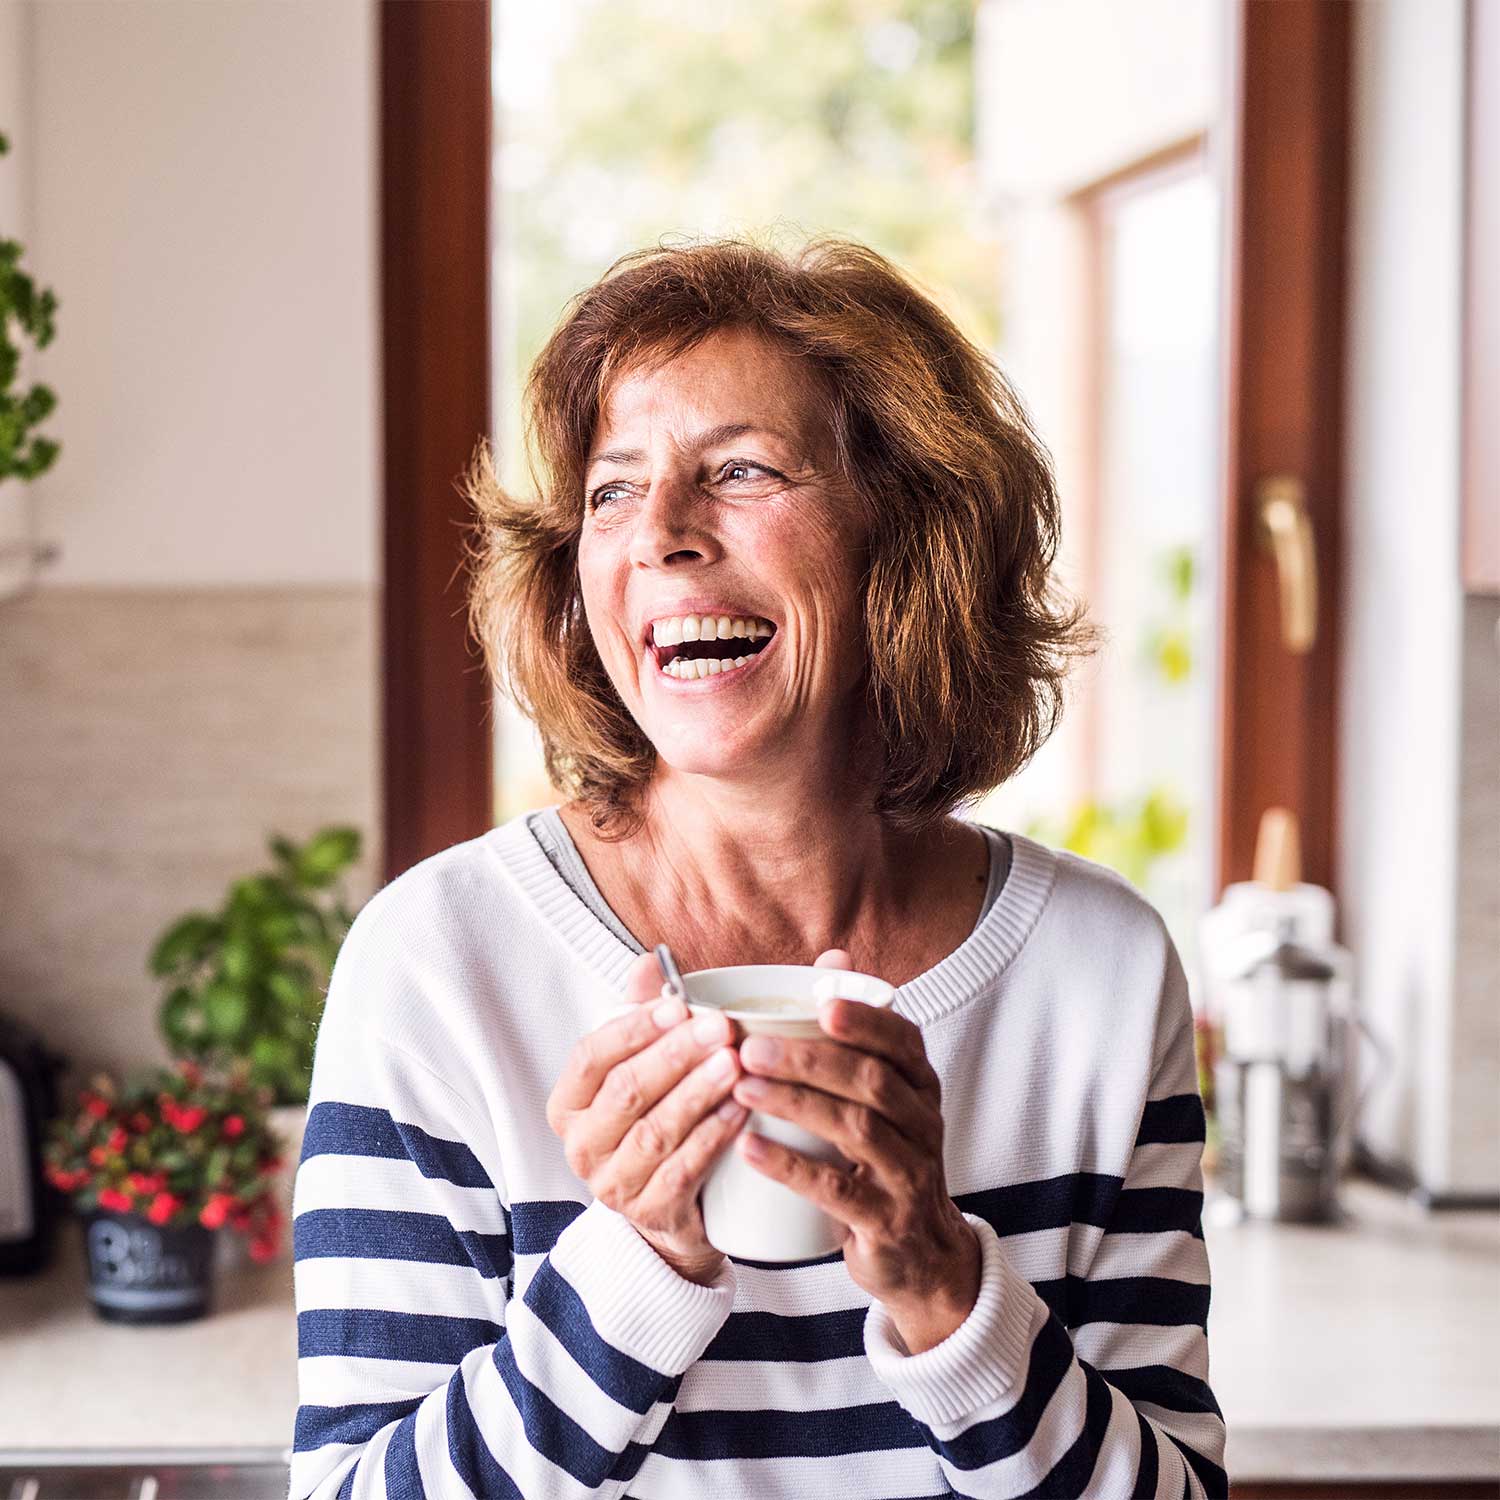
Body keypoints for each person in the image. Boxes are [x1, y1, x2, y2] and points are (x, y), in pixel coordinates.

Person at [288, 235, 1228, 1499]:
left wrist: (946, 1288)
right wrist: (634, 1264)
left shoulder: (1098, 976)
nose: (662, 533)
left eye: (739, 470)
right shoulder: (438, 966)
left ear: (905, 539)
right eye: (613, 491)